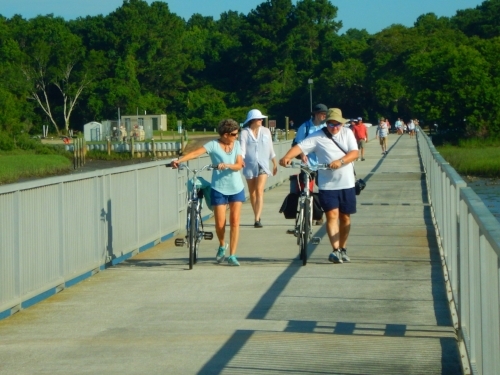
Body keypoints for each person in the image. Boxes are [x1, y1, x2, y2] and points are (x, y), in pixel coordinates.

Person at [279, 108, 359, 264]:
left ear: (342, 124)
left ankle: (343, 248)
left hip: (347, 182)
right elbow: (300, 147)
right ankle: (335, 250)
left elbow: (354, 153)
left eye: (337, 124)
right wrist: (287, 157)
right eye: (331, 124)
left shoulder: (347, 133)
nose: (334, 127)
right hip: (327, 184)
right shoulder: (317, 136)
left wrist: (340, 162)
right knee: (332, 215)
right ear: (326, 123)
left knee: (345, 218)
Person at [171, 119, 245, 266]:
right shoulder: (213, 145)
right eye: (234, 134)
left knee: (235, 222)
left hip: (236, 187)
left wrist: (227, 165)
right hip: (218, 188)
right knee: (219, 223)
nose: (237, 136)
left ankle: (233, 255)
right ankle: (222, 245)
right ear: (225, 134)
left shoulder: (236, 145)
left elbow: (239, 165)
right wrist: (179, 161)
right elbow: (195, 154)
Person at [240, 109, 278, 228]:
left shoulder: (266, 131)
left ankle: (257, 219)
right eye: (259, 119)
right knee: (252, 192)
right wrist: (240, 160)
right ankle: (256, 213)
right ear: (252, 120)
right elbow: (242, 149)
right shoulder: (244, 132)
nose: (262, 120)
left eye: (262, 119)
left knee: (259, 190)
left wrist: (274, 163)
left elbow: (270, 148)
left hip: (263, 164)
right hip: (249, 165)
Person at [292, 103, 328, 224]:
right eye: (323, 114)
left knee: (324, 190)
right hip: (308, 164)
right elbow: (299, 144)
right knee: (308, 190)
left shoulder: (326, 127)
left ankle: (319, 214)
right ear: (316, 114)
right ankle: (309, 215)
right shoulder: (305, 127)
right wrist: (302, 155)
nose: (325, 116)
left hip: (323, 164)